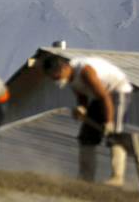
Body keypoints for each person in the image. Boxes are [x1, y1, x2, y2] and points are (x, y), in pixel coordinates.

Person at [42, 54, 132, 186]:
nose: (55, 79)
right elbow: (82, 95)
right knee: (86, 136)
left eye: (55, 76)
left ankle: (117, 178)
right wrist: (82, 108)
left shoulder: (85, 71)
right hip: (99, 96)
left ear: (64, 68)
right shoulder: (70, 77)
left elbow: (105, 97)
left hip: (117, 91)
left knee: (115, 135)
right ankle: (86, 177)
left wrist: (108, 122)